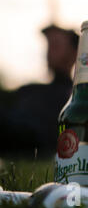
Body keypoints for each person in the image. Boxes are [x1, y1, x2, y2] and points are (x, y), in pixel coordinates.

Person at [0, 24, 79, 157]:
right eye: (48, 46)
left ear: (74, 53)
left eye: (56, 46)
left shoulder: (72, 97)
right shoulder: (28, 90)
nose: (49, 52)